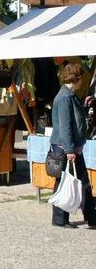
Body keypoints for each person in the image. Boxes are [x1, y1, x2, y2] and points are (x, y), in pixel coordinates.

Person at [50, 63, 96, 229]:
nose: (82, 82)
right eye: (81, 78)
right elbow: (65, 126)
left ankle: (61, 219)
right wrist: (70, 149)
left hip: (68, 147)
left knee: (66, 181)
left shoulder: (68, 95)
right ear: (76, 79)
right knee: (78, 182)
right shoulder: (64, 98)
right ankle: (90, 218)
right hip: (66, 148)